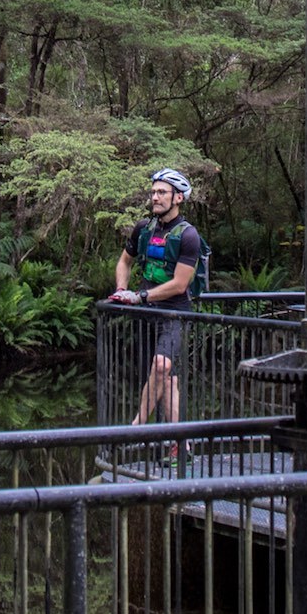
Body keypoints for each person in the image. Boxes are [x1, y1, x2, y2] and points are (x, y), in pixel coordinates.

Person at [111, 168, 204, 433]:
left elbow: (179, 284)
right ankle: (178, 444)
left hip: (174, 314)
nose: (155, 197)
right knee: (167, 380)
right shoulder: (143, 228)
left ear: (178, 198)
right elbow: (124, 261)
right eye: (153, 192)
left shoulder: (188, 235)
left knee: (161, 367)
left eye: (162, 192)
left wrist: (140, 296)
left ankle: (139, 423)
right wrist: (121, 290)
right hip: (146, 316)